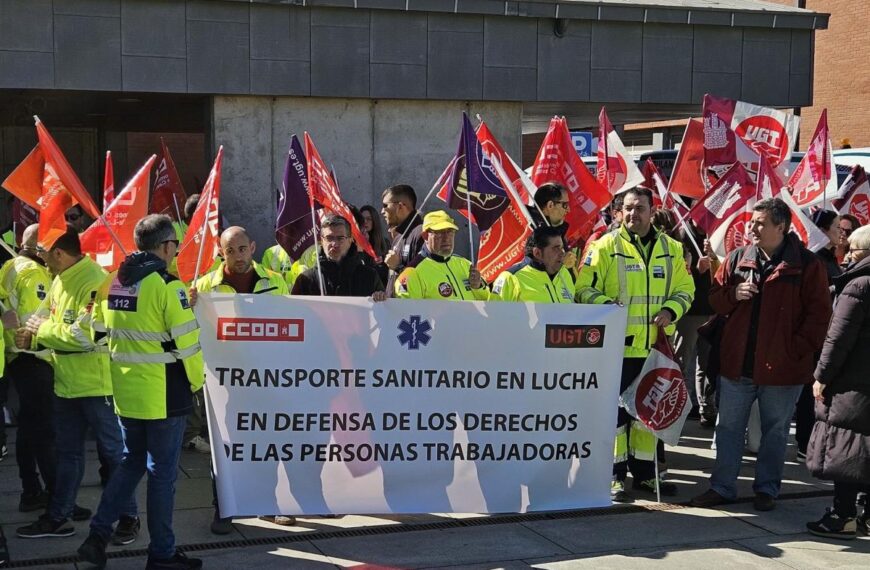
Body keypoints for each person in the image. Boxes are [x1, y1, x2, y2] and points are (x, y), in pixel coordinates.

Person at [77, 214, 203, 570]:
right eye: (174, 245)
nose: (175, 251)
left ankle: (97, 536)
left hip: (126, 392)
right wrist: (197, 383)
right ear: (165, 246)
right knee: (162, 476)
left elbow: (95, 330)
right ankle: (162, 554)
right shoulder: (168, 286)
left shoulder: (113, 282)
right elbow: (189, 345)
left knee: (132, 463)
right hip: (164, 394)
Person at [690, 198, 832, 512]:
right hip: (737, 365)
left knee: (775, 432)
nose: (752, 228)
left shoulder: (808, 265)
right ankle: (721, 487)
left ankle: (767, 489)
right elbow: (714, 299)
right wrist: (733, 294)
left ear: (781, 227)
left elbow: (819, 317)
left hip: (782, 370)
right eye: (751, 222)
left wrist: (793, 350)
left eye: (760, 223)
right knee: (728, 429)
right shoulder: (737, 257)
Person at [15, 229, 137, 540]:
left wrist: (41, 331)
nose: (40, 258)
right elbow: (59, 331)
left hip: (97, 387)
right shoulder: (60, 279)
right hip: (67, 384)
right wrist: (34, 341)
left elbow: (85, 337)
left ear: (58, 253)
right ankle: (59, 516)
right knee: (69, 454)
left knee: (114, 454)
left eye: (43, 252)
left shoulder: (95, 281)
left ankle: (129, 517)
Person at [576, 186, 695, 503]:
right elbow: (582, 289)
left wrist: (671, 311)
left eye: (639, 208)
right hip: (616, 349)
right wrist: (606, 306)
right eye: (627, 208)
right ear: (619, 211)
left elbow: (686, 290)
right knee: (614, 418)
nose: (633, 214)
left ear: (652, 211)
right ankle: (613, 476)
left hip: (656, 349)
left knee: (648, 416)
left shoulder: (672, 248)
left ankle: (645, 475)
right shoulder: (604, 247)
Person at [193, 226, 289, 532]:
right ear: (221, 253)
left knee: (268, 443)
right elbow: (190, 325)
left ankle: (268, 504)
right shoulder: (204, 286)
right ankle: (223, 509)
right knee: (224, 447)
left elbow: (292, 323)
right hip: (224, 381)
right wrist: (189, 303)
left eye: (242, 249)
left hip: (267, 379)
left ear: (253, 247)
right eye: (230, 251)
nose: (237, 256)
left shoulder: (276, 282)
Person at [805, 225, 870, 539]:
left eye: (852, 250)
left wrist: (822, 376)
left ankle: (842, 515)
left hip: (851, 381)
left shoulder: (859, 284)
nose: (846, 255)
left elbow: (838, 338)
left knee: (845, 449)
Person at [0, 224, 55, 513]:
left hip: (14, 356)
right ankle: (54, 496)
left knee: (28, 426)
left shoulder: (10, 266)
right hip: (32, 356)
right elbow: (35, 320)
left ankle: (31, 489)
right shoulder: (34, 273)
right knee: (43, 430)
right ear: (41, 248)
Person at [394, 211, 489, 301]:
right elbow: (407, 309)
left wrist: (478, 287)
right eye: (439, 233)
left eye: (450, 232)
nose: (446, 238)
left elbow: (488, 302)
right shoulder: (412, 273)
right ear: (425, 236)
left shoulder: (465, 264)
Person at [291, 214, 386, 298]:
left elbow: (384, 308)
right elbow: (294, 310)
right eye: (329, 238)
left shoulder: (369, 277)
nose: (334, 244)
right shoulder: (306, 280)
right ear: (321, 241)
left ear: (350, 240)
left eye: (340, 238)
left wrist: (381, 297)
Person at [492, 225, 574, 303]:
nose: (562, 253)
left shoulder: (564, 274)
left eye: (562, 248)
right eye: (556, 248)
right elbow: (495, 311)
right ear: (537, 253)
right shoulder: (510, 278)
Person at [381, 184, 425, 295]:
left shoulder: (421, 233)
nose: (382, 211)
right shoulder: (398, 238)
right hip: (395, 304)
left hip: (412, 305)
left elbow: (423, 278)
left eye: (385, 205)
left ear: (400, 206)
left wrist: (398, 266)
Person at [529, 182, 578, 273]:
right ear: (550, 205)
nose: (568, 210)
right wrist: (561, 263)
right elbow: (529, 269)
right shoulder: (530, 231)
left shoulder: (556, 229)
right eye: (565, 205)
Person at [360, 204, 390, 284]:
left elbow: (387, 271)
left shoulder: (384, 243)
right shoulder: (354, 242)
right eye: (362, 219)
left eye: (368, 219)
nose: (365, 222)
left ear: (374, 221)